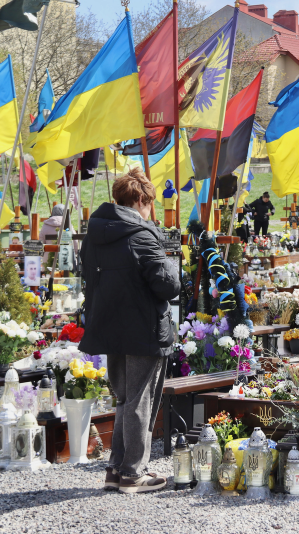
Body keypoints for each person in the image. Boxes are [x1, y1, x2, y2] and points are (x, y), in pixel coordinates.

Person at [79, 167, 179, 494]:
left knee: (124, 399)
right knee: (139, 400)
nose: (151, 210)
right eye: (150, 203)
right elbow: (168, 286)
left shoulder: (96, 233)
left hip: (110, 327)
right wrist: (171, 264)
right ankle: (133, 473)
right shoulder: (141, 234)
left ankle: (116, 469)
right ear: (140, 201)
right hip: (142, 329)